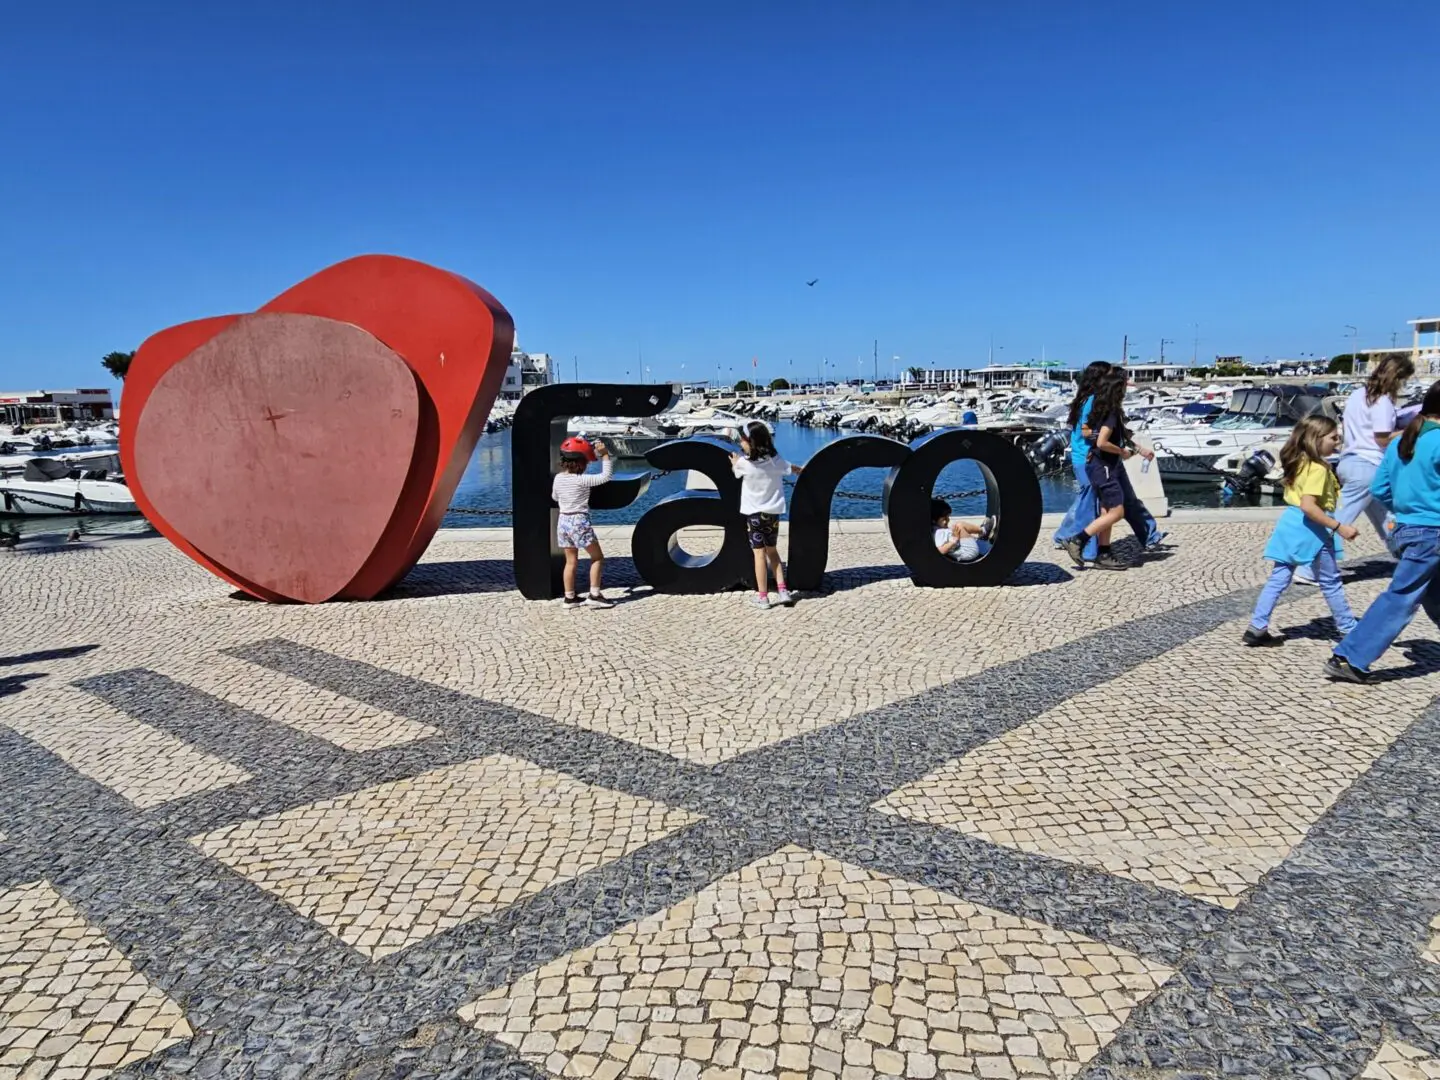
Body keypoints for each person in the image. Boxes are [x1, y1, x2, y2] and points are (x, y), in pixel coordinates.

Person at [1325, 381, 1440, 683]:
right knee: (1401, 596)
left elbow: (1379, 489)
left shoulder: (1404, 442)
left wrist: (1406, 510)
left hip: (1407, 529)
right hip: (1433, 533)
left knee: (1435, 594)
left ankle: (1351, 655)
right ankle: (1350, 657)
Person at [1295, 353, 1414, 584]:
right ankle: (1307, 568)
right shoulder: (1383, 402)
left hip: (1352, 462)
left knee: (1388, 519)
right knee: (1338, 520)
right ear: (1397, 377)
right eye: (1404, 380)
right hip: (1367, 467)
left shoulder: (1359, 394)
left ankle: (1411, 563)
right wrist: (1411, 431)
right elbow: (1382, 440)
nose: (1404, 385)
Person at [1243, 415, 1357, 646]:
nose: (1337, 442)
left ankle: (1257, 626)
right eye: (1333, 438)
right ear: (1316, 439)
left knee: (1279, 578)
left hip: (1290, 525)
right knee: (1330, 580)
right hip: (1312, 530)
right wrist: (1339, 527)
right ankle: (1348, 627)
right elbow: (1309, 506)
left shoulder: (1299, 461)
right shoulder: (1317, 469)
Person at [1053, 362, 1167, 561]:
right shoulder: (1092, 401)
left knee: (1110, 502)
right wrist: (1109, 445)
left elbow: (1106, 431)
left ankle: (1146, 536)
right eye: (1109, 374)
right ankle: (1078, 542)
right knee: (1094, 505)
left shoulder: (1096, 401)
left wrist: (1134, 447)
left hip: (1099, 458)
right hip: (1093, 459)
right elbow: (1088, 432)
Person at [730, 421, 803, 608]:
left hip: (754, 516)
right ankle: (783, 591)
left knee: (758, 554)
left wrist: (734, 462)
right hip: (772, 514)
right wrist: (800, 470)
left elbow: (736, 472)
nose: (741, 444)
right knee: (772, 551)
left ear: (750, 442)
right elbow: (790, 468)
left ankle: (763, 597)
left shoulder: (744, 464)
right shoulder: (775, 460)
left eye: (743, 441)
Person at [552, 436, 614, 608]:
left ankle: (569, 598)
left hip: (563, 521)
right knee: (597, 557)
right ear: (582, 462)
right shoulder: (583, 480)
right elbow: (606, 476)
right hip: (579, 521)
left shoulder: (558, 479)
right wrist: (605, 455)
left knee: (571, 561)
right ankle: (594, 595)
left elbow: (554, 497)